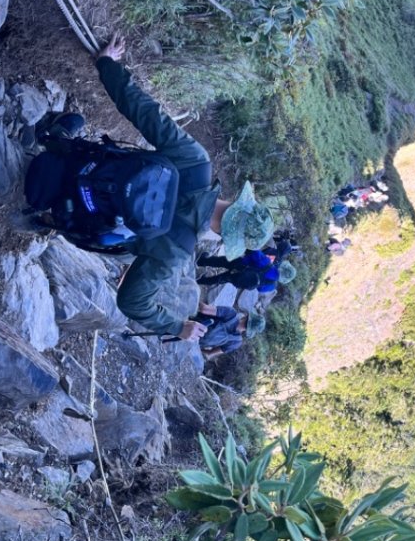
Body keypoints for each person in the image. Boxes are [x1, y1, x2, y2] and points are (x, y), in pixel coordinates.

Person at [51, 34, 274, 341]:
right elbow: (130, 302)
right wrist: (176, 326)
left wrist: (107, 64)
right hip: (67, 216)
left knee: (76, 136)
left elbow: (143, 111)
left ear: (238, 202)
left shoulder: (197, 162)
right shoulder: (178, 251)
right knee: (128, 247)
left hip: (77, 166)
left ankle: (54, 138)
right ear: (224, 236)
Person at [195, 302, 265, 360]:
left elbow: (204, 309)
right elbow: (209, 354)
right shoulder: (236, 342)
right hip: (194, 341)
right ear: (250, 330)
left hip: (191, 323)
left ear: (247, 316)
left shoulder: (231, 313)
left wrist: (199, 301)